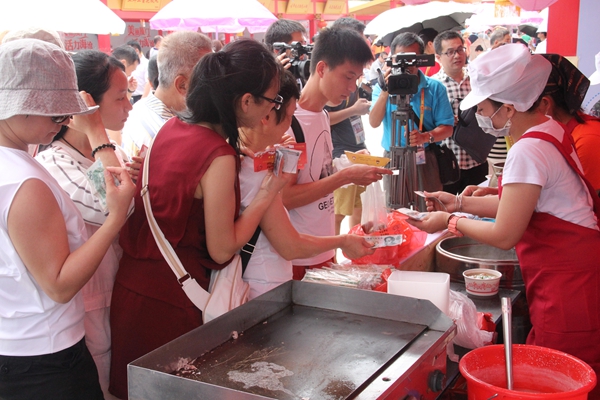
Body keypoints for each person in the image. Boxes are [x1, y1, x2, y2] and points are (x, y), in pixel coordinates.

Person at [409, 44, 600, 392]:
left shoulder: (527, 148)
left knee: (567, 381)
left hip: (568, 288)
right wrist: (456, 203)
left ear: (508, 108)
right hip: (577, 274)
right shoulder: (549, 129)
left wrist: (448, 223)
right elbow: (523, 204)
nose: (481, 116)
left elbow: (505, 233)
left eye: (483, 108)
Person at [109, 39, 290, 399]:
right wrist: (268, 193)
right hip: (173, 303)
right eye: (273, 100)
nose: (273, 109)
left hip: (132, 290)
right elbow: (223, 248)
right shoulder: (218, 156)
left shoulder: (170, 129)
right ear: (246, 102)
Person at [0, 39, 135, 400]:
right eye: (57, 113)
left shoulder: (16, 165)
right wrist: (115, 221)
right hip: (45, 356)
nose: (62, 122)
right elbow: (58, 285)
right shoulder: (24, 180)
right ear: (21, 106)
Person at [239, 71, 375, 299]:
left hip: (269, 283)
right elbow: (290, 244)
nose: (290, 128)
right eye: (290, 117)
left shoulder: (246, 158)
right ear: (266, 116)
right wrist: (343, 241)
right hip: (264, 291)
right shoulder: (252, 170)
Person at [281, 27, 390, 281]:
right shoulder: (289, 122)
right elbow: (285, 196)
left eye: (357, 80)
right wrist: (346, 176)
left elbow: (317, 174)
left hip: (322, 250)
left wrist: (347, 164)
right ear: (321, 69)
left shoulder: (323, 115)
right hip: (298, 258)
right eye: (347, 77)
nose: (352, 89)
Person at [369, 32, 455, 199]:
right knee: (395, 211)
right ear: (391, 58)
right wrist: (385, 92)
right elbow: (373, 122)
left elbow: (448, 128)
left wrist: (425, 137)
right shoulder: (382, 87)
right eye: (399, 59)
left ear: (420, 59)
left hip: (424, 158)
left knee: (428, 209)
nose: (405, 65)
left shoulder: (435, 88)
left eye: (411, 59)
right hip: (392, 158)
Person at [120, 31, 213, 159]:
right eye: (208, 77)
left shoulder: (139, 107)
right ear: (182, 85)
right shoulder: (171, 136)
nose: (214, 84)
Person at [326, 18, 373, 236]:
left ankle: (355, 254)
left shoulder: (354, 76)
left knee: (358, 207)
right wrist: (353, 110)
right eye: (360, 38)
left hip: (357, 148)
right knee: (336, 214)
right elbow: (326, 118)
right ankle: (332, 259)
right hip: (340, 155)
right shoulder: (332, 79)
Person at [432, 30, 489, 194]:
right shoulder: (434, 85)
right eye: (450, 52)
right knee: (446, 210)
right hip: (446, 162)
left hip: (476, 158)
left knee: (478, 210)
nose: (457, 56)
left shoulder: (477, 80)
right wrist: (444, 120)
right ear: (438, 57)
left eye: (460, 49)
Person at [126, 40, 148, 104]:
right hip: (130, 95)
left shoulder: (146, 63)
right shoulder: (129, 63)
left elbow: (148, 83)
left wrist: (142, 100)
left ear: (137, 51)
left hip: (141, 97)